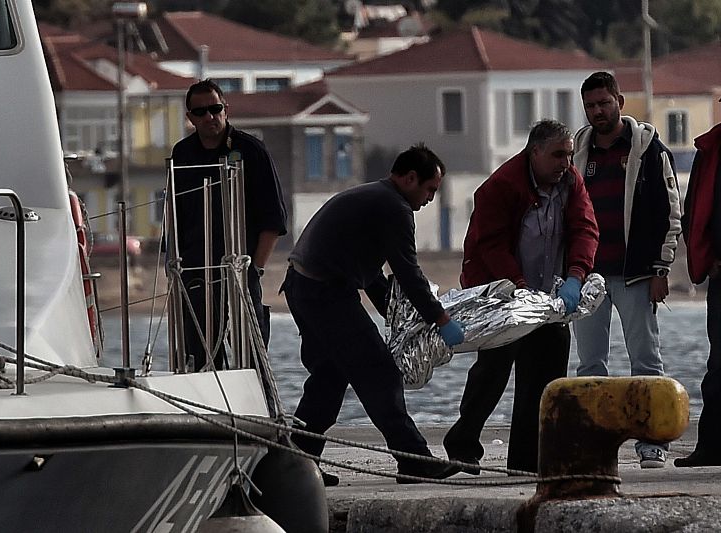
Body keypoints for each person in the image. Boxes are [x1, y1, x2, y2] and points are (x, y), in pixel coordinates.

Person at [283, 144, 465, 485]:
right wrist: (441, 320)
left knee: (329, 379)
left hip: (302, 286)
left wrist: (398, 321)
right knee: (380, 373)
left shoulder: (375, 198)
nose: (430, 199)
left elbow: (373, 277)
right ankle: (413, 460)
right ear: (410, 178)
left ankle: (296, 468)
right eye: (430, 189)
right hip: (325, 294)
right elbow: (408, 273)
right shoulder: (394, 207)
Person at [443, 120, 599, 474]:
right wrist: (516, 284)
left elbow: (585, 229)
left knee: (545, 379)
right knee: (492, 371)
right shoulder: (500, 186)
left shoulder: (571, 182)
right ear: (535, 152)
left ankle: (529, 461)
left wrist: (576, 276)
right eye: (558, 155)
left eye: (570, 155)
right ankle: (463, 446)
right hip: (502, 292)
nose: (565, 163)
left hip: (549, 297)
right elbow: (490, 244)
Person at [572, 71, 682, 468]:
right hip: (586, 278)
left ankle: (652, 444)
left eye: (603, 102)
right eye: (590, 106)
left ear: (619, 100)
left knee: (645, 359)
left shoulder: (649, 149)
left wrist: (661, 269)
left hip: (636, 273)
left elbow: (670, 213)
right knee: (589, 364)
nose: (597, 111)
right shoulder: (576, 153)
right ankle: (594, 444)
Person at [171, 79, 287, 371]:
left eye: (215, 109)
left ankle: (258, 406)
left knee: (251, 355)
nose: (209, 117)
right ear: (190, 118)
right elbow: (174, 217)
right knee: (198, 355)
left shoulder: (251, 150)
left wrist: (254, 270)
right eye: (200, 113)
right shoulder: (182, 155)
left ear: (226, 109)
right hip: (196, 270)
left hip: (240, 268)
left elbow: (273, 220)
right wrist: (176, 267)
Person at [675, 121, 721, 467]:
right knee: (718, 365)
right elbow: (694, 211)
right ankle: (712, 445)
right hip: (720, 274)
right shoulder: (710, 150)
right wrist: (705, 258)